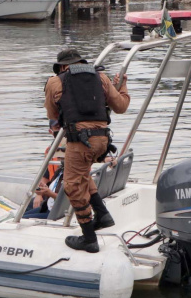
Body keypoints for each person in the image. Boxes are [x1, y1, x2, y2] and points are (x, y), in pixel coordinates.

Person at [45, 49, 130, 253]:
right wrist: (123, 85)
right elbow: (121, 106)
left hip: (79, 141)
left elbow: (53, 114)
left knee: (72, 185)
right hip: (102, 140)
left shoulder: (54, 82)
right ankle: (103, 215)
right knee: (82, 175)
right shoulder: (101, 77)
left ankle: (89, 238)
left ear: (62, 67)